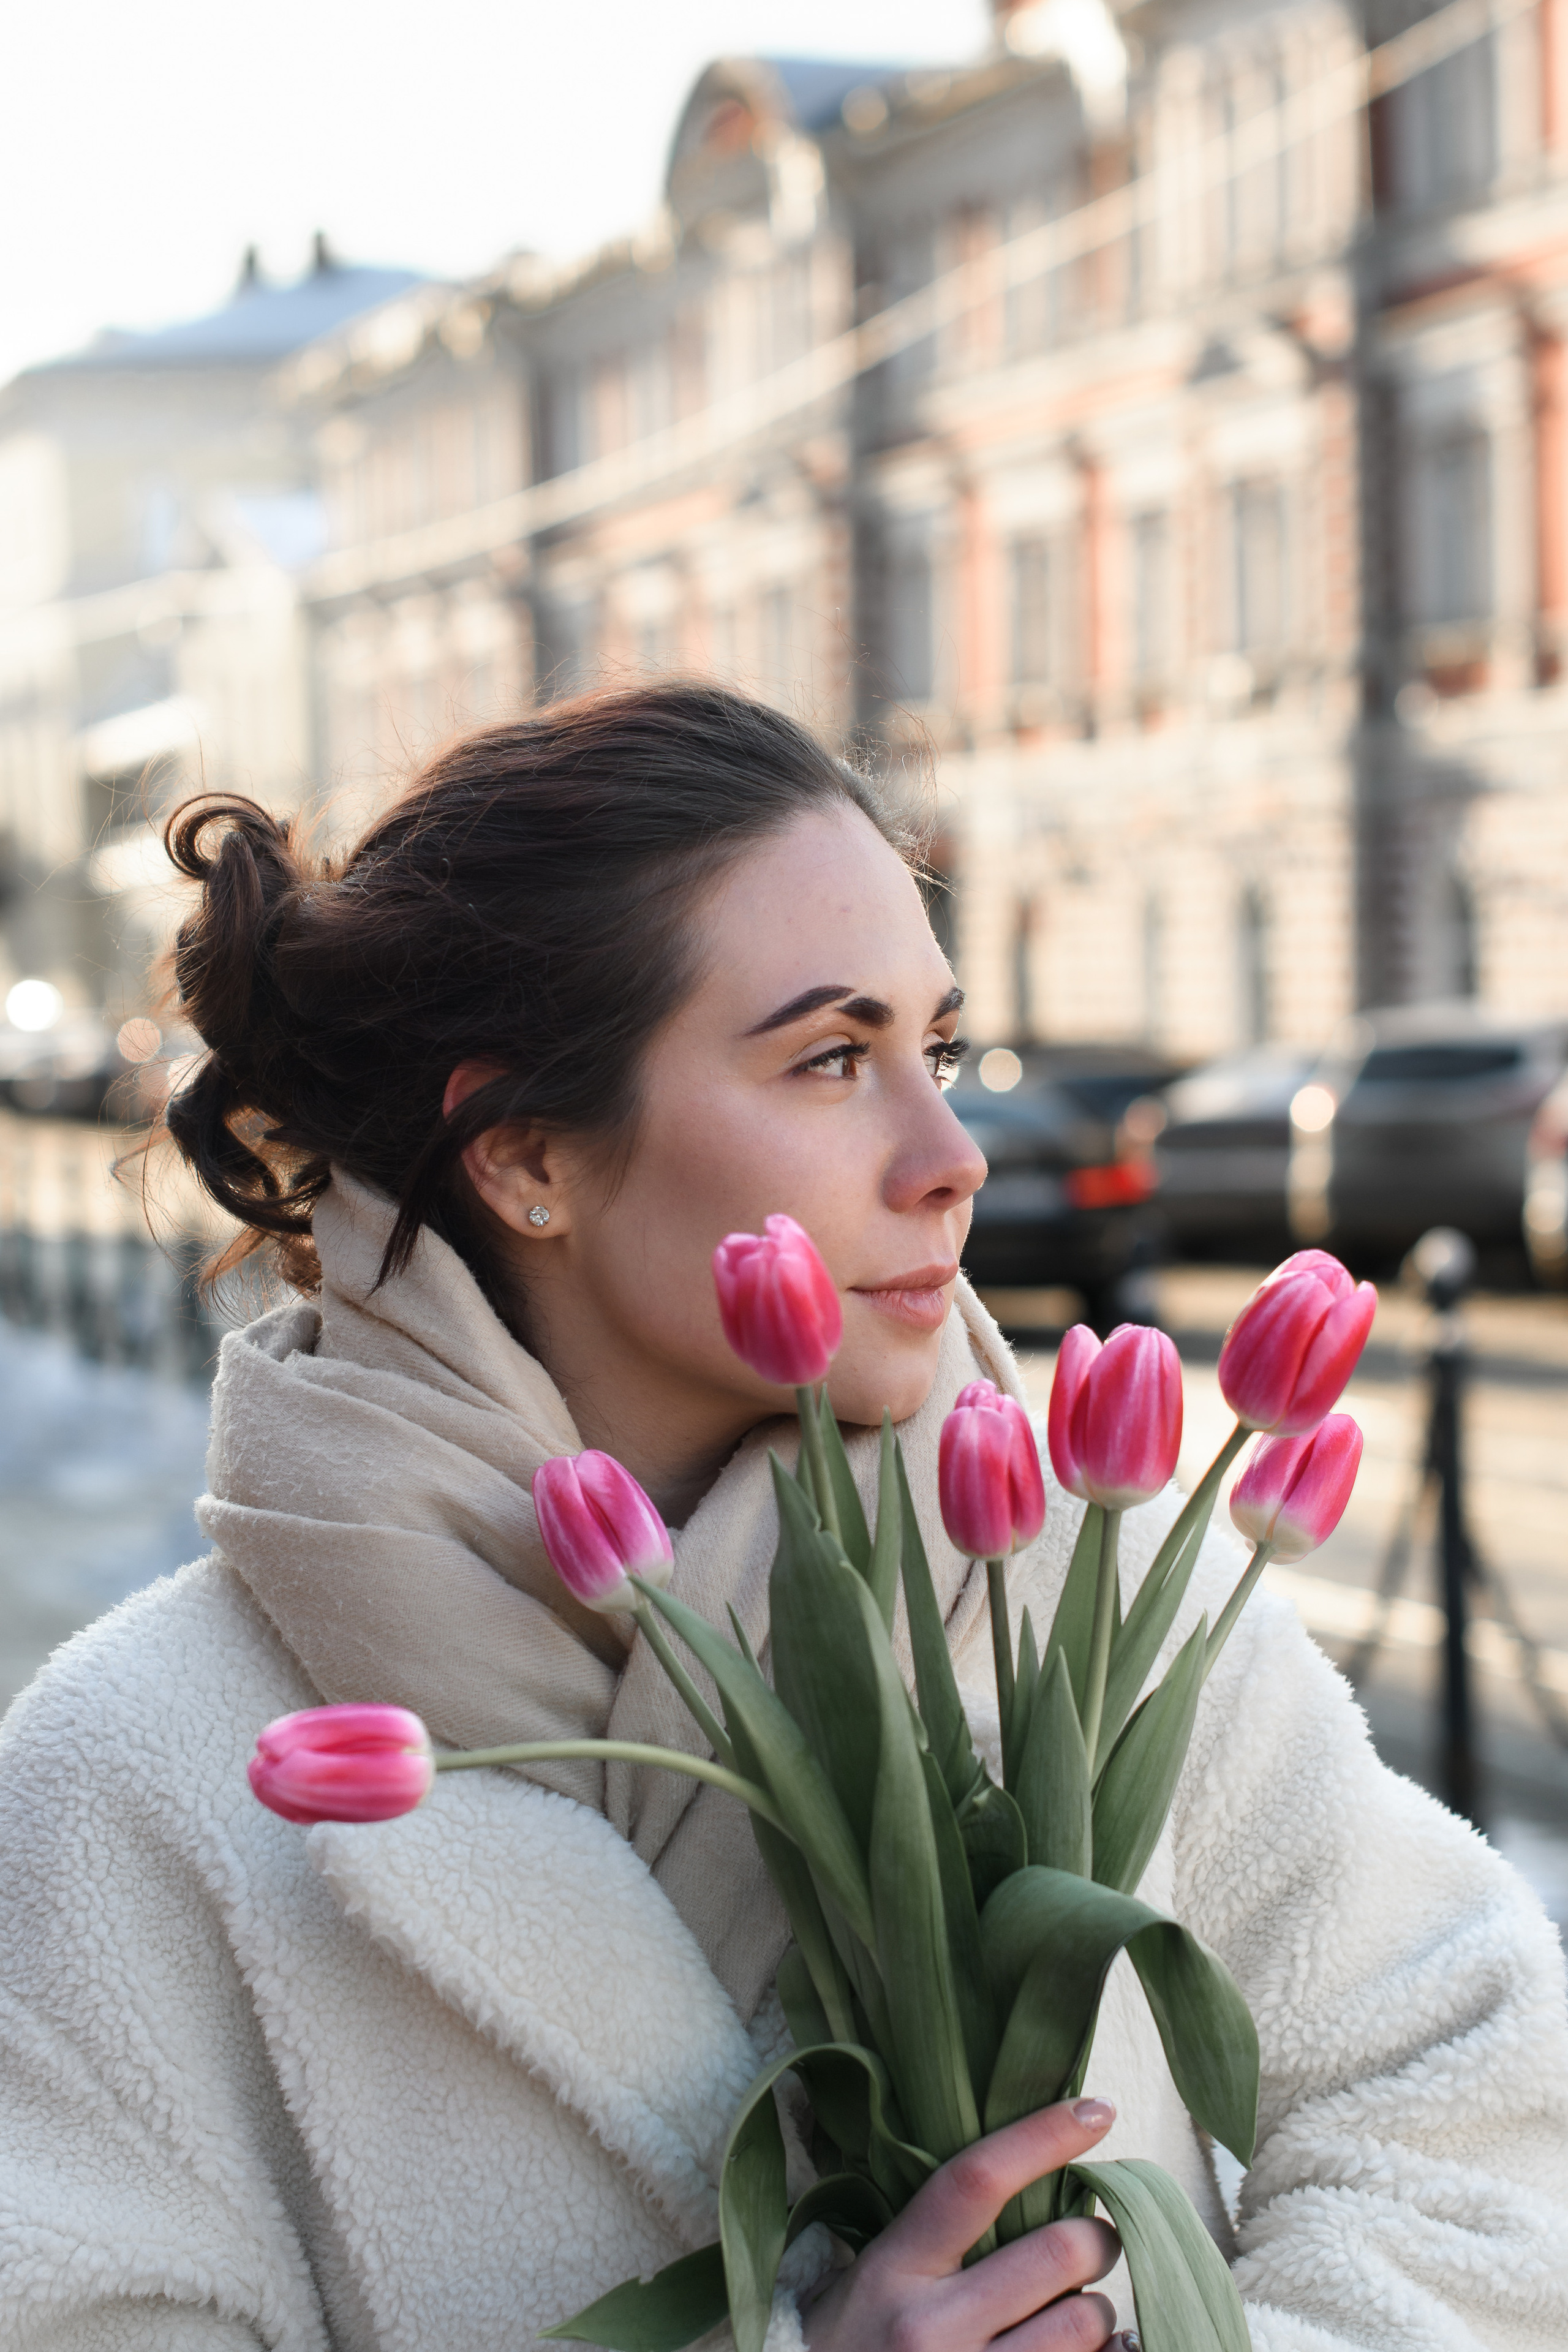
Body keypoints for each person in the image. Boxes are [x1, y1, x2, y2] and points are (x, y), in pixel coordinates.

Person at [0, 684, 1563, 2352]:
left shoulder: (1079, 1601)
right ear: (528, 1154)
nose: (951, 1153)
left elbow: (1478, 2110)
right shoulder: (140, 1777)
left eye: (937, 1047)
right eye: (831, 1058)